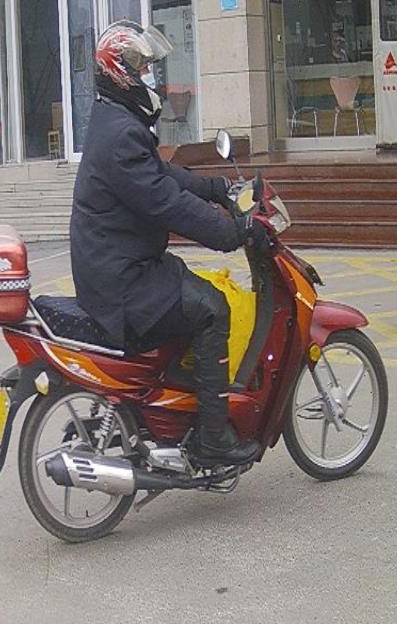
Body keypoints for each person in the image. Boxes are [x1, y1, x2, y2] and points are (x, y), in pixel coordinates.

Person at [70, 20, 272, 467]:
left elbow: (163, 176)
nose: (150, 78)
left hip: (121, 267)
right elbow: (165, 203)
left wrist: (217, 190)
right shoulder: (121, 133)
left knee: (192, 290)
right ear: (120, 71)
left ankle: (179, 415)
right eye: (142, 68)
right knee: (212, 307)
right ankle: (213, 441)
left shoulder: (115, 121)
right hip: (122, 283)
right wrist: (232, 232)